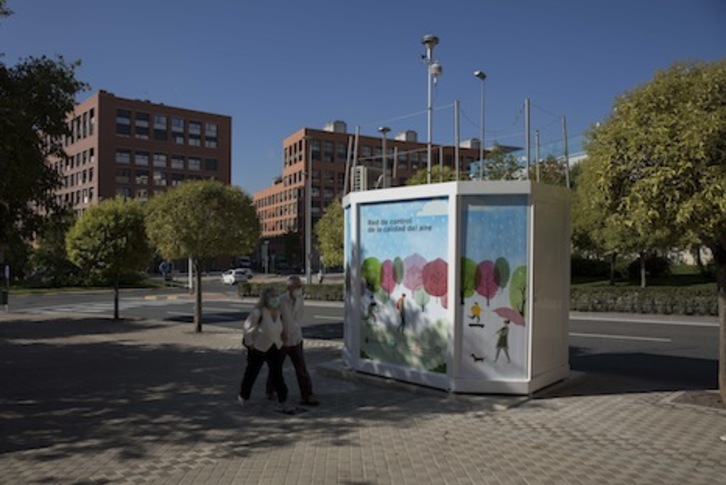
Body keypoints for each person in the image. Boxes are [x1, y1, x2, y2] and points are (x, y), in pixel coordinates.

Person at [238, 286, 294, 413]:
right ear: (266, 299)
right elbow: (247, 328)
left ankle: (283, 400)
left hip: (274, 346)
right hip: (258, 347)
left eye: (276, 296)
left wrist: (284, 337)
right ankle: (244, 396)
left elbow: (282, 326)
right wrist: (250, 343)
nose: (275, 299)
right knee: (252, 373)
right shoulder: (258, 312)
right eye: (272, 297)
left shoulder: (278, 312)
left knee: (277, 374)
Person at [267, 275, 320, 406]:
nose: (299, 289)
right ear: (289, 288)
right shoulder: (279, 301)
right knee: (276, 367)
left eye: (300, 286)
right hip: (282, 341)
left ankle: (307, 395)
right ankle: (270, 390)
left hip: (296, 339)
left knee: (301, 368)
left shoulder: (300, 299)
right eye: (297, 286)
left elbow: (298, 318)